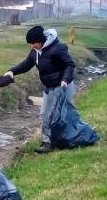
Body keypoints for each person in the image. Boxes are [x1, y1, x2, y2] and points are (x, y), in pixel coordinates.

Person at [5, 25, 77, 154]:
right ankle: (47, 143)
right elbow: (26, 64)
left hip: (62, 87)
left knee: (57, 115)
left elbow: (70, 65)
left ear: (41, 41)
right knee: (45, 114)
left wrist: (65, 80)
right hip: (49, 88)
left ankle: (67, 138)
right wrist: (12, 71)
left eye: (34, 43)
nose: (32, 46)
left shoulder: (57, 49)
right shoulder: (35, 52)